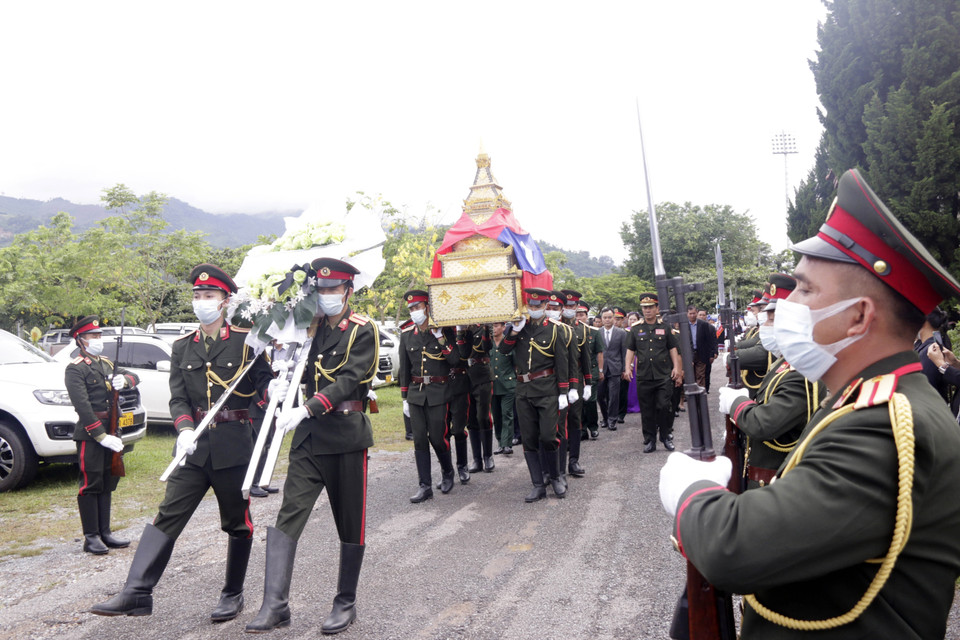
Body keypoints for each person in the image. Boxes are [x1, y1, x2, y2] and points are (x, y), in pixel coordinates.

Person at [659, 168, 960, 638]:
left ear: (858, 316)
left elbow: (733, 549)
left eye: (805, 289)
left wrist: (693, 494)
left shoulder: (886, 420)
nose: (788, 306)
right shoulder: (865, 399)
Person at [91, 263, 274, 622]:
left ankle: (232, 594)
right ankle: (137, 592)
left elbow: (264, 383)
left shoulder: (246, 339)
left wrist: (274, 390)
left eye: (209, 296)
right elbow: (177, 398)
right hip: (194, 447)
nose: (201, 302)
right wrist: (185, 429)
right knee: (168, 514)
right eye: (197, 296)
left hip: (234, 445)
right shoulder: (181, 346)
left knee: (237, 521)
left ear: (224, 302)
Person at [245, 258, 378, 635]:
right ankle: (275, 605)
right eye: (320, 290)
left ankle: (345, 602)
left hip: (346, 436)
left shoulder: (362, 330)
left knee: (350, 522)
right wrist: (277, 383)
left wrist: (307, 408)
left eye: (334, 289)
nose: (327, 296)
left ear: (348, 291)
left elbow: (352, 378)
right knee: (289, 514)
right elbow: (295, 366)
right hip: (308, 440)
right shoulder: (308, 327)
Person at [717, 290, 823, 489]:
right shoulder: (786, 361)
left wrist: (737, 404)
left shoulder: (801, 372)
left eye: (772, 321)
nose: (765, 326)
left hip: (777, 481)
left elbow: (764, 424)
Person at [64, 315, 140, 555]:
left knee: (108, 480)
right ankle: (91, 536)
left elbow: (135, 376)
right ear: (81, 340)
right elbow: (82, 407)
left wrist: (125, 380)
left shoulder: (105, 363)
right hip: (91, 433)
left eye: (99, 335)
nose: (98, 339)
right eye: (93, 336)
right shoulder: (75, 368)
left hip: (112, 428)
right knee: (91, 482)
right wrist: (99, 435)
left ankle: (105, 532)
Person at [499, 288, 569, 501]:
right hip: (524, 391)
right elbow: (503, 351)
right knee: (529, 439)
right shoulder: (520, 326)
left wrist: (564, 391)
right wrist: (513, 332)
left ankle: (556, 477)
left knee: (548, 436)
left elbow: (562, 362)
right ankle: (537, 484)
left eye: (538, 306)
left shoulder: (556, 329)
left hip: (547, 389)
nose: (534, 309)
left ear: (546, 306)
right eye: (531, 305)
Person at [399, 290, 459, 503]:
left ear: (428, 307)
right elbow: (404, 370)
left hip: (438, 392)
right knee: (419, 440)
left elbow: (454, 360)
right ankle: (424, 485)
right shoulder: (407, 335)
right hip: (416, 394)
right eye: (412, 309)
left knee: (437, 437)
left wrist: (441, 337)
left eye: (418, 307)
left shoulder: (444, 331)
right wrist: (405, 398)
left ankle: (447, 471)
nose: (415, 312)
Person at [624, 294, 682, 453]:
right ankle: (649, 440)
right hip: (644, 375)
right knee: (647, 409)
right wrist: (628, 367)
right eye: (644, 308)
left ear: (657, 309)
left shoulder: (665, 327)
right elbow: (630, 349)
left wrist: (677, 368)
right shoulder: (636, 328)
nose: (647, 310)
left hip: (663, 375)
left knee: (664, 406)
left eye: (650, 307)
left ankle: (666, 435)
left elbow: (673, 349)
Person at [560, 290, 592, 477]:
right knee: (559, 421)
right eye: (567, 306)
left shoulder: (583, 329)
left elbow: (586, 359)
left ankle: (574, 461)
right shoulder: (555, 326)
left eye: (573, 306)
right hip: (558, 380)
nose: (570, 309)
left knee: (574, 418)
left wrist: (588, 382)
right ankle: (559, 464)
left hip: (577, 379)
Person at [462, 324, 495, 473]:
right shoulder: (461, 328)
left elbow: (486, 346)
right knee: (471, 419)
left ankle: (488, 456)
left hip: (482, 374)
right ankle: (477, 459)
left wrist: (486, 329)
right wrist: (459, 331)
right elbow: (463, 353)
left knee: (483, 417)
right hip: (465, 376)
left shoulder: (484, 326)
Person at [576, 301, 604, 440]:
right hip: (576, 373)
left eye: (582, 315)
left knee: (591, 401)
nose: (579, 318)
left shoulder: (594, 332)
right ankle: (582, 428)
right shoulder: (570, 331)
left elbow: (599, 353)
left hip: (591, 371)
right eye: (577, 315)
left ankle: (593, 427)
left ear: (587, 316)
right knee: (579, 402)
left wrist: (600, 370)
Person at [597, 307, 627, 431]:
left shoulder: (621, 333)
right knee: (599, 395)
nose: (608, 320)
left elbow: (624, 352)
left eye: (610, 317)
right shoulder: (597, 333)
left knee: (614, 396)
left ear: (614, 318)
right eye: (605, 317)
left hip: (616, 368)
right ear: (602, 319)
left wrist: (625, 369)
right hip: (601, 369)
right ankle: (605, 417)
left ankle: (612, 420)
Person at [489, 322, 516, 455]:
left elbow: (516, 364)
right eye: (492, 326)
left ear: (504, 327)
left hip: (508, 385)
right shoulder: (487, 343)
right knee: (497, 415)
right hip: (493, 386)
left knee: (507, 413)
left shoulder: (509, 343)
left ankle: (507, 444)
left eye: (496, 325)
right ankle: (500, 442)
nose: (493, 328)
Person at [685, 305, 717, 390]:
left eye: (694, 313)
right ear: (687, 314)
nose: (692, 315)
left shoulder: (703, 324)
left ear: (697, 313)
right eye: (690, 313)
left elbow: (709, 340)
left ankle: (700, 395)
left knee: (700, 375)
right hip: (689, 354)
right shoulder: (684, 325)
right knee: (691, 376)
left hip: (701, 354)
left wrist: (711, 354)